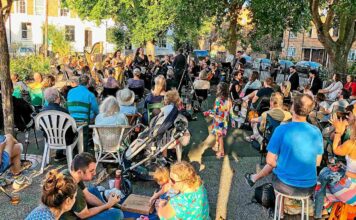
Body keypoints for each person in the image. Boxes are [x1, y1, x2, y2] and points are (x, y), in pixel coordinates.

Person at [244, 94, 323, 208]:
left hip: (285, 186)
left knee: (277, 172)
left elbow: (270, 161)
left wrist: (284, 165)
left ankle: (279, 212)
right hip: (309, 187)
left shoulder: (282, 130)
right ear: (309, 111)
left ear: (292, 108)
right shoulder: (316, 131)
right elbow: (317, 162)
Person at [314, 103, 356, 219]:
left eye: (350, 114)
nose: (347, 116)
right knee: (329, 173)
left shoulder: (352, 143)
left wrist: (338, 131)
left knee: (323, 176)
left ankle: (320, 211)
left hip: (352, 190)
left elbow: (336, 150)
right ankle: (325, 211)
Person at [60, 152, 123, 220]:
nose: (95, 173)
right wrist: (108, 205)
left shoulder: (70, 173)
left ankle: (107, 208)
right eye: (91, 171)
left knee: (93, 190)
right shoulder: (75, 190)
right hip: (79, 216)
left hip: (76, 210)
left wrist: (107, 207)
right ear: (80, 172)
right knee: (118, 214)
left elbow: (87, 195)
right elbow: (84, 215)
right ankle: (107, 208)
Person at [204, 82, 231, 158]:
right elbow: (229, 110)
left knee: (220, 136)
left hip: (218, 120)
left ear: (219, 90)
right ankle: (216, 146)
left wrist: (207, 112)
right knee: (219, 134)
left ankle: (221, 152)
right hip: (225, 120)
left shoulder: (218, 100)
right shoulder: (229, 99)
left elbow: (215, 111)